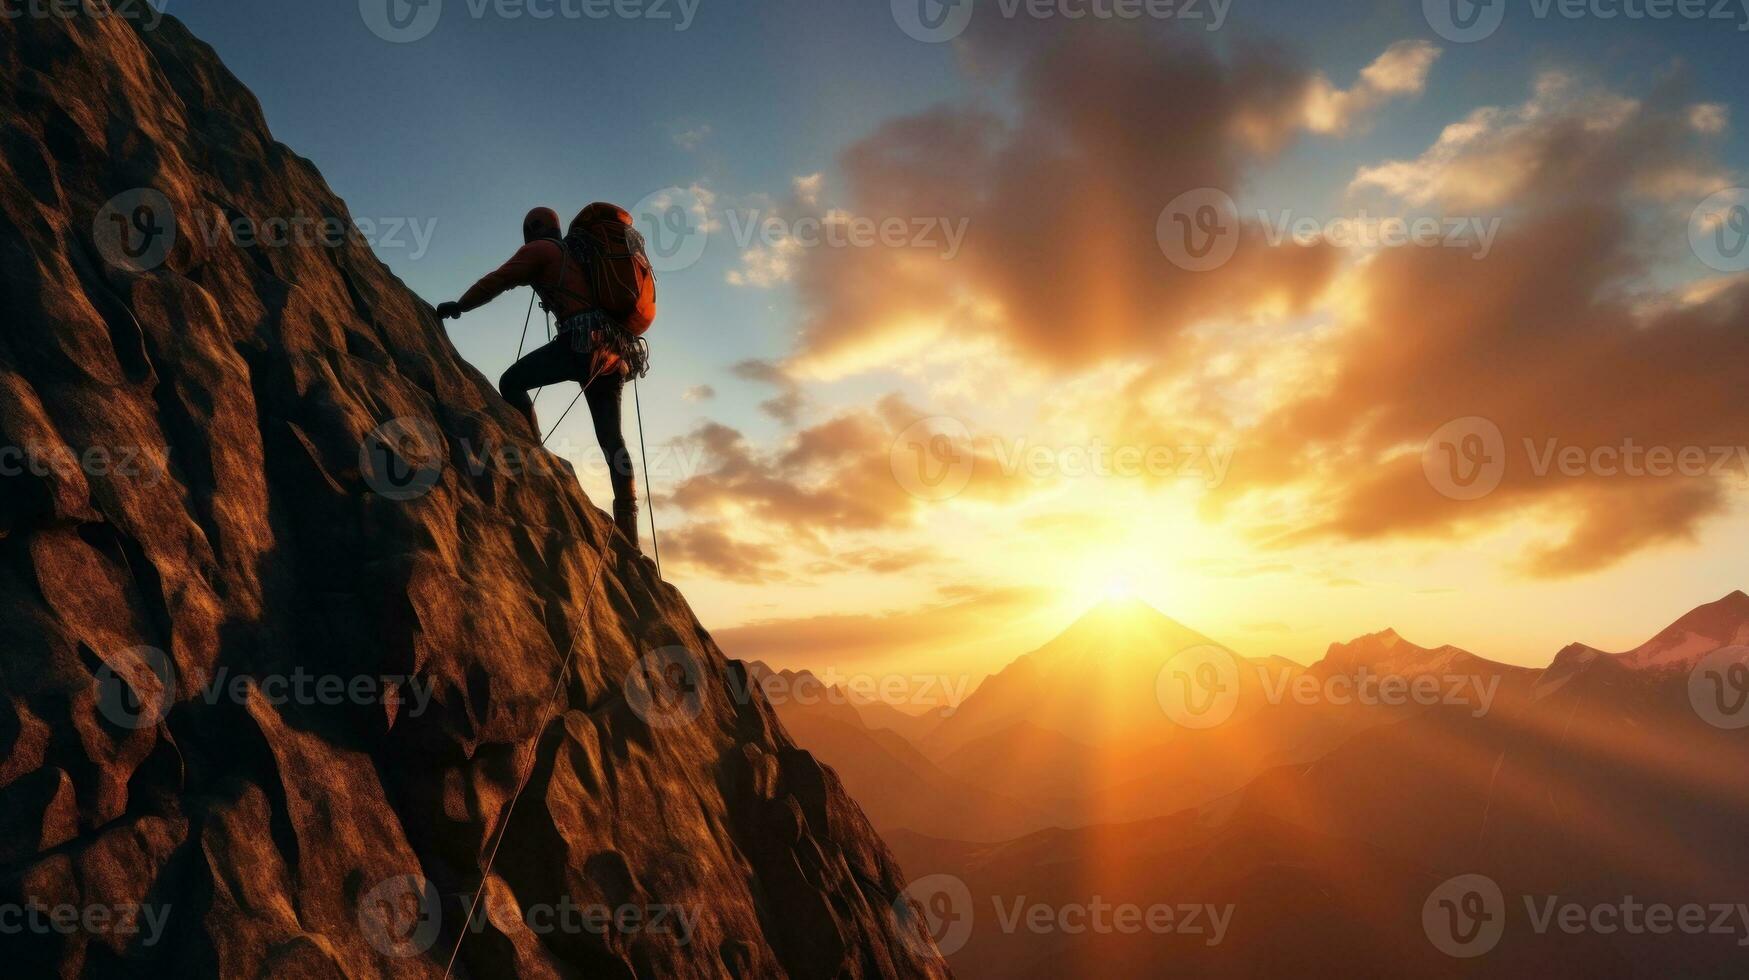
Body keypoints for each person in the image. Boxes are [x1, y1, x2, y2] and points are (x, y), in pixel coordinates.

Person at [435, 207, 643, 547]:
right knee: (612, 440)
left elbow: (498, 280)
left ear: (532, 230)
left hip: (579, 343)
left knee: (511, 383)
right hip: (612, 352)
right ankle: (629, 530)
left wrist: (461, 305)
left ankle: (534, 447)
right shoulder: (580, 253)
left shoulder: (541, 250)